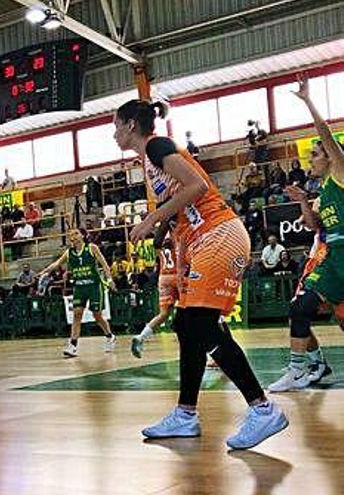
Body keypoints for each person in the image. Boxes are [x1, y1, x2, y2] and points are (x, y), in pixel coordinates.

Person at [113, 99, 287, 450]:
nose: (113, 132)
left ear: (131, 125)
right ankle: (185, 415)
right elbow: (182, 203)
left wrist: (151, 218)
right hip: (199, 240)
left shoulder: (158, 146)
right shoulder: (149, 161)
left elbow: (198, 186)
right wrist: (160, 228)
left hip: (218, 234)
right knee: (185, 325)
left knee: (201, 326)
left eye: (116, 124)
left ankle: (263, 408)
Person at [269, 75, 344, 393]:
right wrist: (301, 200)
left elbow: (327, 136)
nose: (310, 160)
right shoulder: (322, 190)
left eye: (314, 154)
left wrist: (308, 102)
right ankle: (299, 370)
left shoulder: (341, 173)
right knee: (299, 307)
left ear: (330, 157)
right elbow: (314, 227)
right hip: (334, 258)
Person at [37, 228, 116, 357]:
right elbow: (56, 264)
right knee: (77, 314)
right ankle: (72, 345)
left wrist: (110, 279)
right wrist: (44, 271)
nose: (72, 236)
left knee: (97, 315)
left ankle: (110, 335)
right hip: (79, 287)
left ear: (83, 235)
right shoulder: (69, 252)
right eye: (70, 235)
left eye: (76, 233)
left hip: (94, 286)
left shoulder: (92, 248)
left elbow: (105, 265)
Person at [131, 233, 177, 359]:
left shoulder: (159, 244)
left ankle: (141, 337)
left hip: (164, 277)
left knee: (163, 314)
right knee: (193, 310)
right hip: (178, 276)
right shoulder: (179, 239)